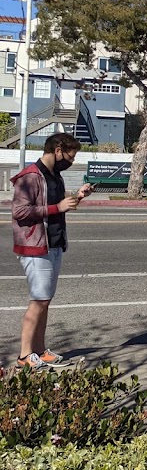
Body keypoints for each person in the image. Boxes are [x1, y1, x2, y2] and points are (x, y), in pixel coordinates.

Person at [11, 132, 93, 370]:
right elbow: (20, 211)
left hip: (54, 243)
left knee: (45, 301)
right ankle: (25, 355)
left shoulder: (54, 176)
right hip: (35, 246)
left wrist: (76, 197)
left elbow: (55, 209)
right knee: (38, 300)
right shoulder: (30, 177)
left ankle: (39, 349)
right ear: (58, 151)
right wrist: (57, 207)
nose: (72, 161)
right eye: (71, 155)